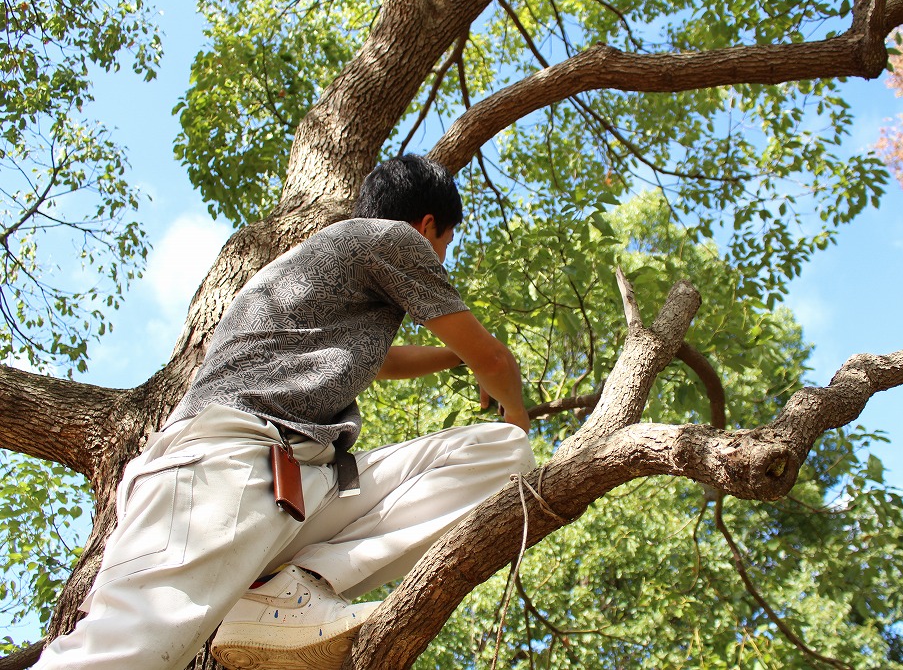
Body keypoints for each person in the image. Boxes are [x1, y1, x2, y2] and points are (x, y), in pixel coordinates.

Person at [35, 155, 537, 670]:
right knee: (121, 654)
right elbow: (495, 360)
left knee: (498, 452)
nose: (441, 259)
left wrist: (457, 355)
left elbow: (381, 361)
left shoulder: (323, 275)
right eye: (445, 245)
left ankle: (287, 590)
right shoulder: (389, 239)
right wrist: (515, 409)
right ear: (427, 224)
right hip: (225, 470)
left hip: (296, 484)